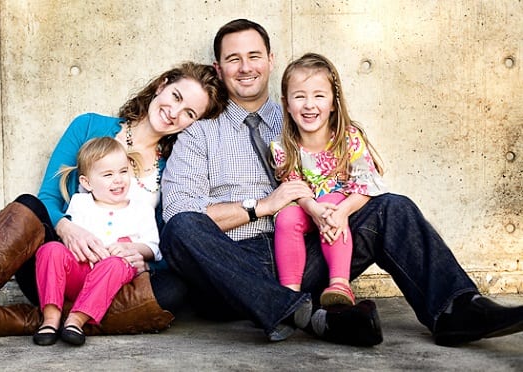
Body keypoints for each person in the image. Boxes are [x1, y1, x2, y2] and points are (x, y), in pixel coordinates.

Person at [160, 18, 523, 346]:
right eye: (233, 58)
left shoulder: (306, 111)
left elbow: (358, 180)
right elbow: (181, 213)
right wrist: (262, 206)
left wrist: (336, 212)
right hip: (233, 267)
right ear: (218, 67)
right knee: (180, 227)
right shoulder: (199, 134)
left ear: (270, 60)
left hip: (311, 252)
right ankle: (303, 313)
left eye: (253, 56)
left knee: (393, 207)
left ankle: (457, 309)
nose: (245, 67)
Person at [0, 62, 227, 368]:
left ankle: (33, 319)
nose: (174, 113)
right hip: (58, 266)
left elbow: (165, 236)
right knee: (29, 204)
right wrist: (66, 228)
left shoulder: (174, 166)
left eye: (189, 113)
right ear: (162, 85)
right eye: (176, 96)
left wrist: (144, 258)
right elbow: (48, 196)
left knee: (175, 291)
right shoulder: (89, 126)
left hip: (115, 278)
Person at [270, 53, 387, 308]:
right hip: (305, 207)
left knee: (333, 205)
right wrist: (313, 209)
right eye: (299, 96)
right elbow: (293, 187)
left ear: (333, 102)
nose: (309, 104)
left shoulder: (349, 138)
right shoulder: (282, 146)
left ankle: (339, 284)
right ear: (286, 104)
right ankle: (288, 293)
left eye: (319, 96)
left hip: (340, 207)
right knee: (286, 218)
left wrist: (341, 211)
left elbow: (367, 184)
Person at [33, 137, 161, 347]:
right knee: (50, 249)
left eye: (123, 171)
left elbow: (154, 248)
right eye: (108, 175)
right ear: (86, 183)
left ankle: (76, 321)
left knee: (116, 263)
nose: (118, 180)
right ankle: (51, 318)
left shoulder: (141, 209)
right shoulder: (79, 202)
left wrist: (133, 248)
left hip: (112, 278)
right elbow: (70, 243)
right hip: (80, 271)